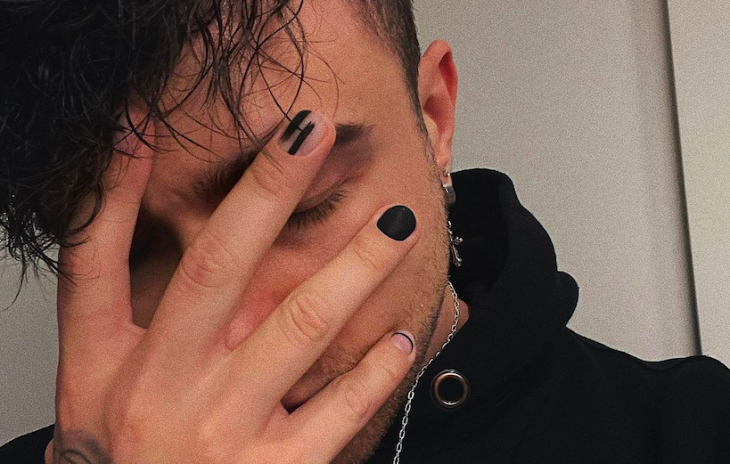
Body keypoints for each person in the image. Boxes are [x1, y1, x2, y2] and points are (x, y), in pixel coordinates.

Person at [1, 0, 729, 463]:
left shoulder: (691, 430)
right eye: (137, 252)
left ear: (433, 118)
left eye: (304, 205)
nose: (232, 334)